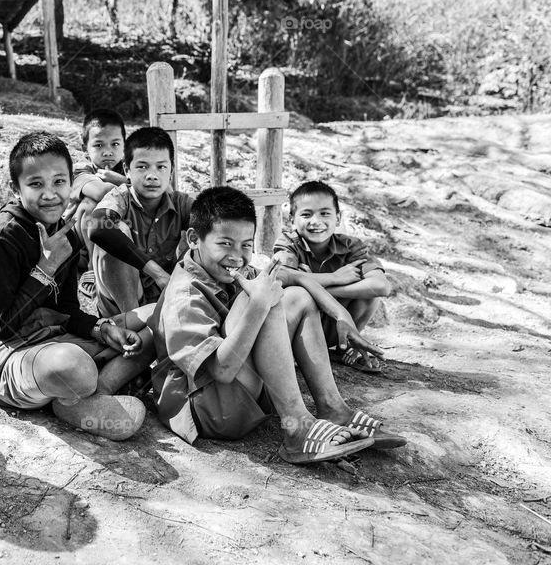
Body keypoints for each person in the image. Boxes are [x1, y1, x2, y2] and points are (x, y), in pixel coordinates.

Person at [151, 186, 406, 463]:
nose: (237, 255)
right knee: (264, 294)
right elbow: (221, 370)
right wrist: (259, 304)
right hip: (207, 409)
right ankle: (297, 426)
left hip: (239, 397)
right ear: (193, 239)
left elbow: (296, 278)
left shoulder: (232, 269)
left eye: (246, 245)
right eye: (225, 243)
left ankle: (334, 409)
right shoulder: (184, 295)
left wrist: (340, 315)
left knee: (295, 297)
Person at [0, 131, 154, 441]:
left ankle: (82, 399)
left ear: (70, 183)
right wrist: (46, 267)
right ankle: (82, 388)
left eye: (59, 182)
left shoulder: (64, 233)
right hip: (9, 355)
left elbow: (66, 311)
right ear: (15, 188)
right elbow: (5, 328)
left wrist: (101, 330)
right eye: (36, 184)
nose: (50, 194)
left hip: (56, 338)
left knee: (157, 319)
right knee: (76, 367)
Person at [273, 181, 393, 373]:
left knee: (370, 296)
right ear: (292, 219)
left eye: (325, 213)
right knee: (295, 295)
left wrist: (315, 286)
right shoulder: (288, 243)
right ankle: (295, 352)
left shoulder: (351, 246)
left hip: (338, 327)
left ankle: (348, 345)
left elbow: (381, 286)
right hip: (298, 329)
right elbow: (280, 276)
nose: (316, 221)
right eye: (306, 214)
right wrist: (335, 277)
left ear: (338, 218)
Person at [87, 127, 192, 317]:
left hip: (164, 296)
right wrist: (157, 273)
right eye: (142, 166)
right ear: (127, 170)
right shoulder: (119, 198)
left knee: (201, 235)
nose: (152, 175)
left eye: (161, 167)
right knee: (115, 229)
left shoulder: (181, 203)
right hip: (121, 304)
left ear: (171, 170)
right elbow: (97, 228)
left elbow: (215, 227)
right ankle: (131, 323)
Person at [68, 109, 128, 298]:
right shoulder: (80, 170)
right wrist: (124, 183)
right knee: (91, 204)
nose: (108, 151)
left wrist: (122, 179)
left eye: (115, 144)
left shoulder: (129, 170)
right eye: (99, 145)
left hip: (115, 241)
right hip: (77, 246)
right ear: (85, 147)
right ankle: (92, 270)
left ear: (125, 145)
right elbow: (102, 191)